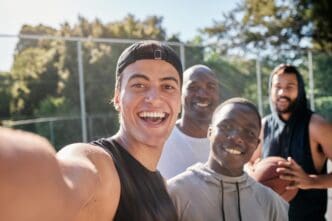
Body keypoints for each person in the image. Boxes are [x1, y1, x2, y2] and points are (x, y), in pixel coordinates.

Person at [0, 40, 183, 221]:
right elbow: (61, 186)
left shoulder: (162, 185)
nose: (154, 98)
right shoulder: (100, 166)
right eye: (139, 85)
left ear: (179, 101)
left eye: (168, 87)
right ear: (117, 98)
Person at [168, 97, 289, 221]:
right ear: (210, 132)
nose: (236, 137)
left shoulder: (271, 203)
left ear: (257, 145)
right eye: (226, 126)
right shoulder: (175, 192)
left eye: (249, 133)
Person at [249, 64, 332, 221]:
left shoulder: (316, 126)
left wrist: (312, 181)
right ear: (270, 90)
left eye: (290, 86)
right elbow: (249, 163)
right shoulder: (263, 125)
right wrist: (255, 171)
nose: (282, 92)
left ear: (300, 90)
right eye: (277, 86)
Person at [158, 64, 220, 179]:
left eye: (210, 87)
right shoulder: (159, 138)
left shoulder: (226, 142)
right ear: (179, 93)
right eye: (193, 87)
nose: (202, 95)